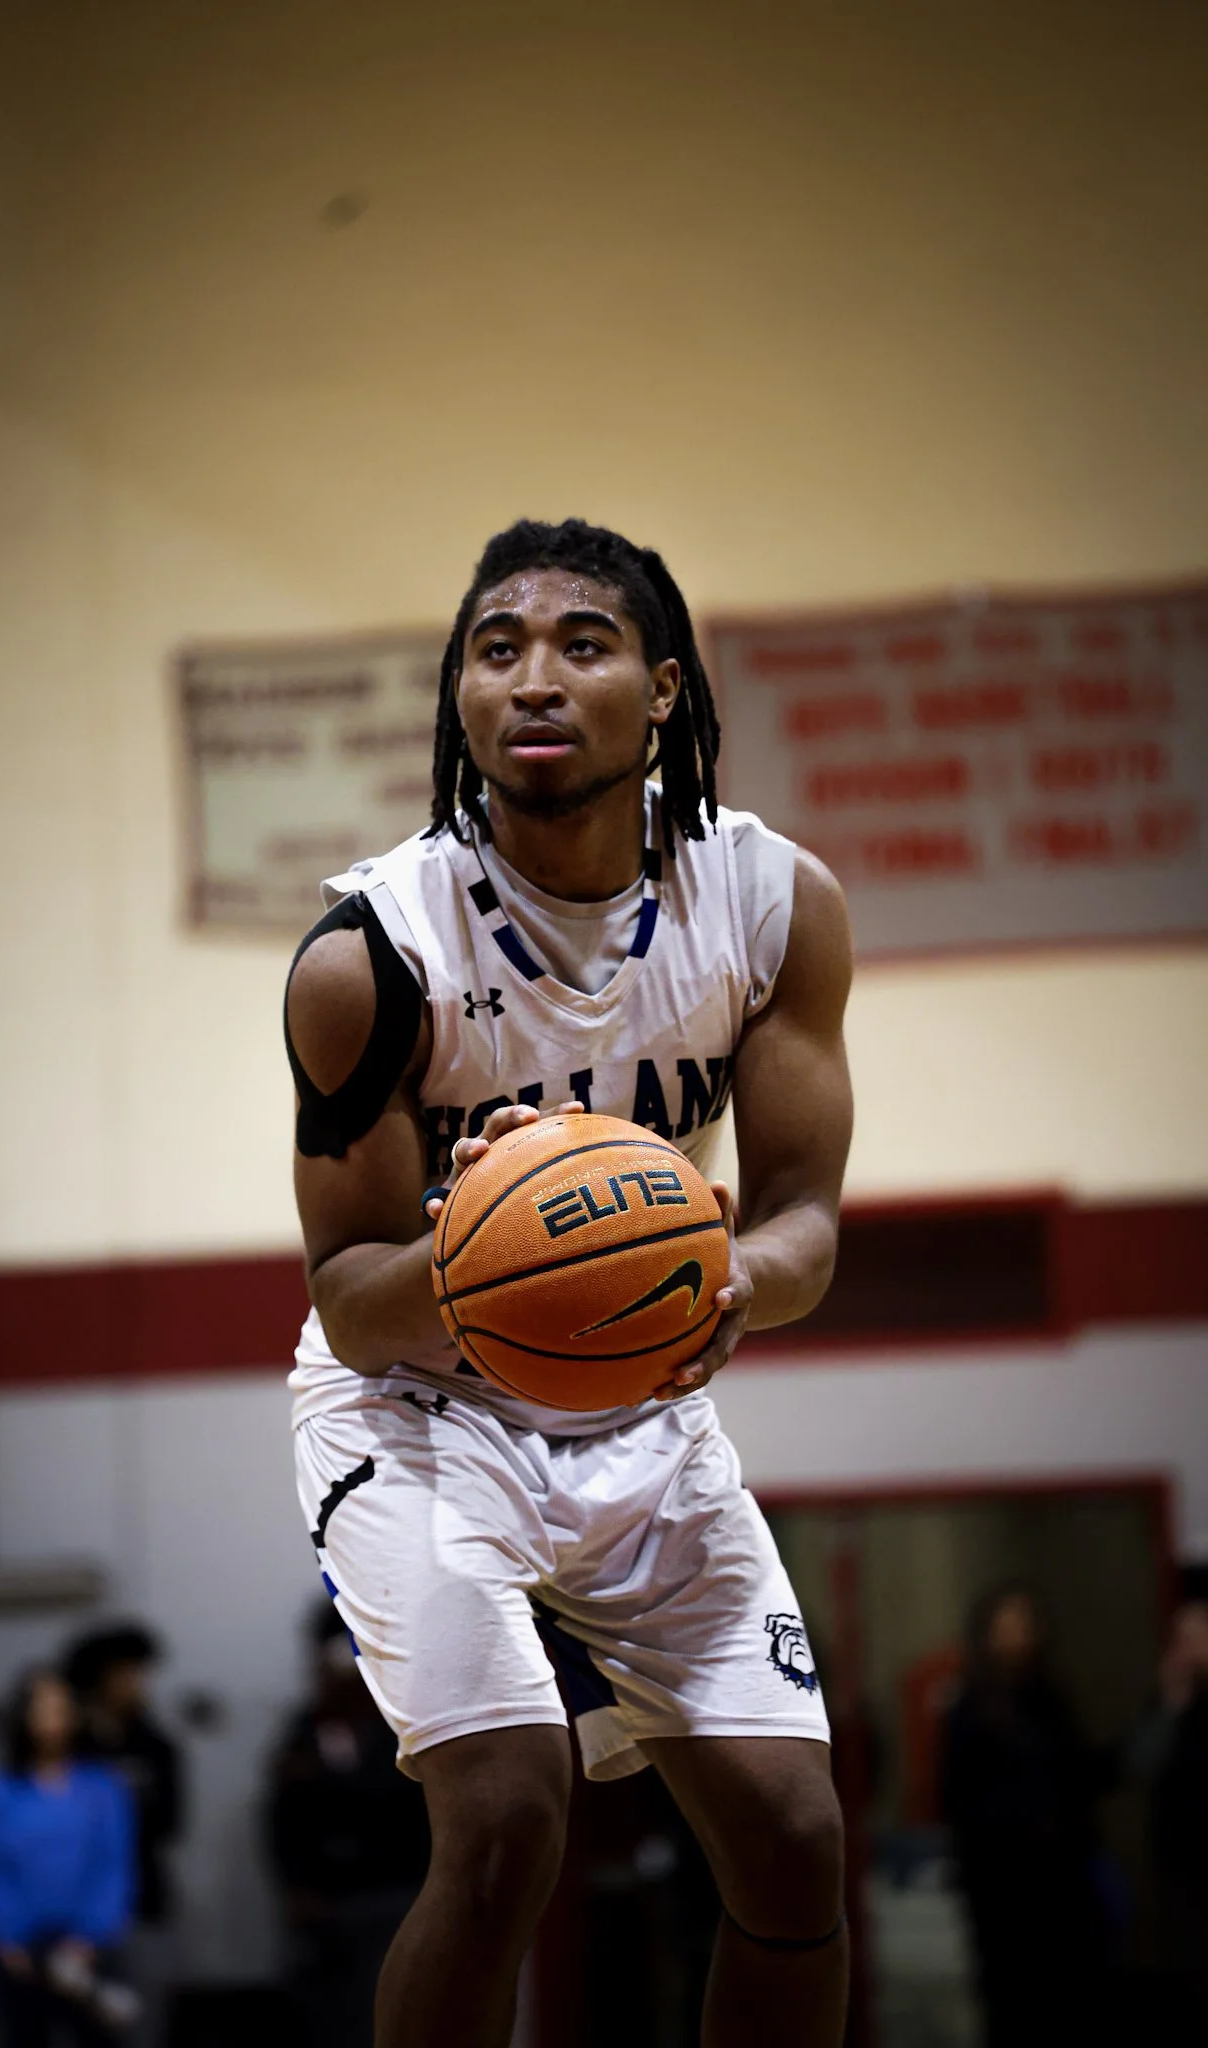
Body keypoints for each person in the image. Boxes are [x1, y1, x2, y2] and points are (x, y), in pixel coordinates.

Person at [283, 518, 855, 2048]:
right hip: (419, 1414)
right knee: (508, 1821)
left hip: (637, 1413)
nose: (534, 678)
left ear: (663, 689)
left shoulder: (773, 904)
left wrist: (734, 1281)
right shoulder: (370, 952)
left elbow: (802, 1219)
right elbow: (349, 1289)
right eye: (495, 648)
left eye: (581, 645)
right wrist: (490, 1261)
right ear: (457, 697)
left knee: (798, 1845)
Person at [940, 1584, 1111, 2048]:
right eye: (1007, 1624)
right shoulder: (971, 1708)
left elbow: (1078, 1774)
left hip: (1062, 1884)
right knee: (1012, 2006)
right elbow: (958, 1799)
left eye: (1025, 1624)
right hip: (1003, 1890)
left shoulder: (1051, 1700)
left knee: (1068, 2003)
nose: (1018, 1635)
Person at [264, 1602, 431, 2048]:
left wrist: (334, 1778)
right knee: (334, 2016)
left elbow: (406, 1797)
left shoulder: (401, 1721)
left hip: (397, 1893)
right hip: (327, 1903)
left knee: (397, 2010)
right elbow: (284, 1814)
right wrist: (295, 1885)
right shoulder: (308, 1725)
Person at [0, 1668, 137, 2046]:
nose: (53, 1718)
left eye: (61, 1708)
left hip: (90, 1948)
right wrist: (9, 1935)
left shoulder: (102, 1787)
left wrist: (90, 1937)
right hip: (21, 1951)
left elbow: (113, 1865)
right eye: (42, 1708)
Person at [62, 1625, 182, 2042]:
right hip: (74, 1913)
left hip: (141, 1903)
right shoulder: (67, 1751)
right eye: (126, 1674)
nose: (138, 1685)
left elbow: (169, 1823)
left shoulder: (156, 1746)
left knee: (142, 2023)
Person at [1126, 1592, 1208, 2032]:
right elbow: (1139, 1762)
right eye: (1181, 1637)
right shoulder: (1170, 1703)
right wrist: (1170, 1706)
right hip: (1181, 1862)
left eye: (1197, 1635)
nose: (1188, 1647)